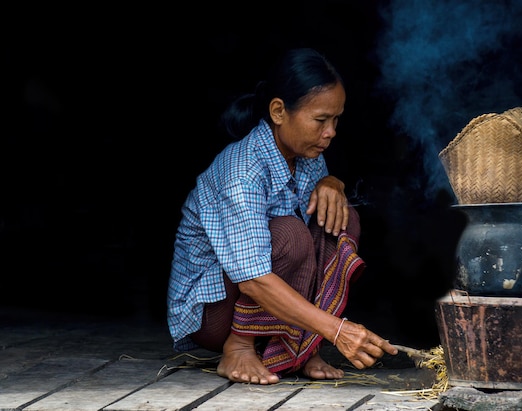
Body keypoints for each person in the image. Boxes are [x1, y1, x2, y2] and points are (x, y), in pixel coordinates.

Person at [167, 47, 397, 385]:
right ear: (278, 111)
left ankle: (301, 349)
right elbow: (253, 278)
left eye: (336, 120)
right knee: (291, 234)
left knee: (343, 218)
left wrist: (333, 182)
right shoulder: (243, 172)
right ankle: (240, 347)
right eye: (320, 120)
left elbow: (323, 219)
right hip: (213, 313)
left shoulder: (308, 154)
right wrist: (337, 330)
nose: (331, 132)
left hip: (261, 301)